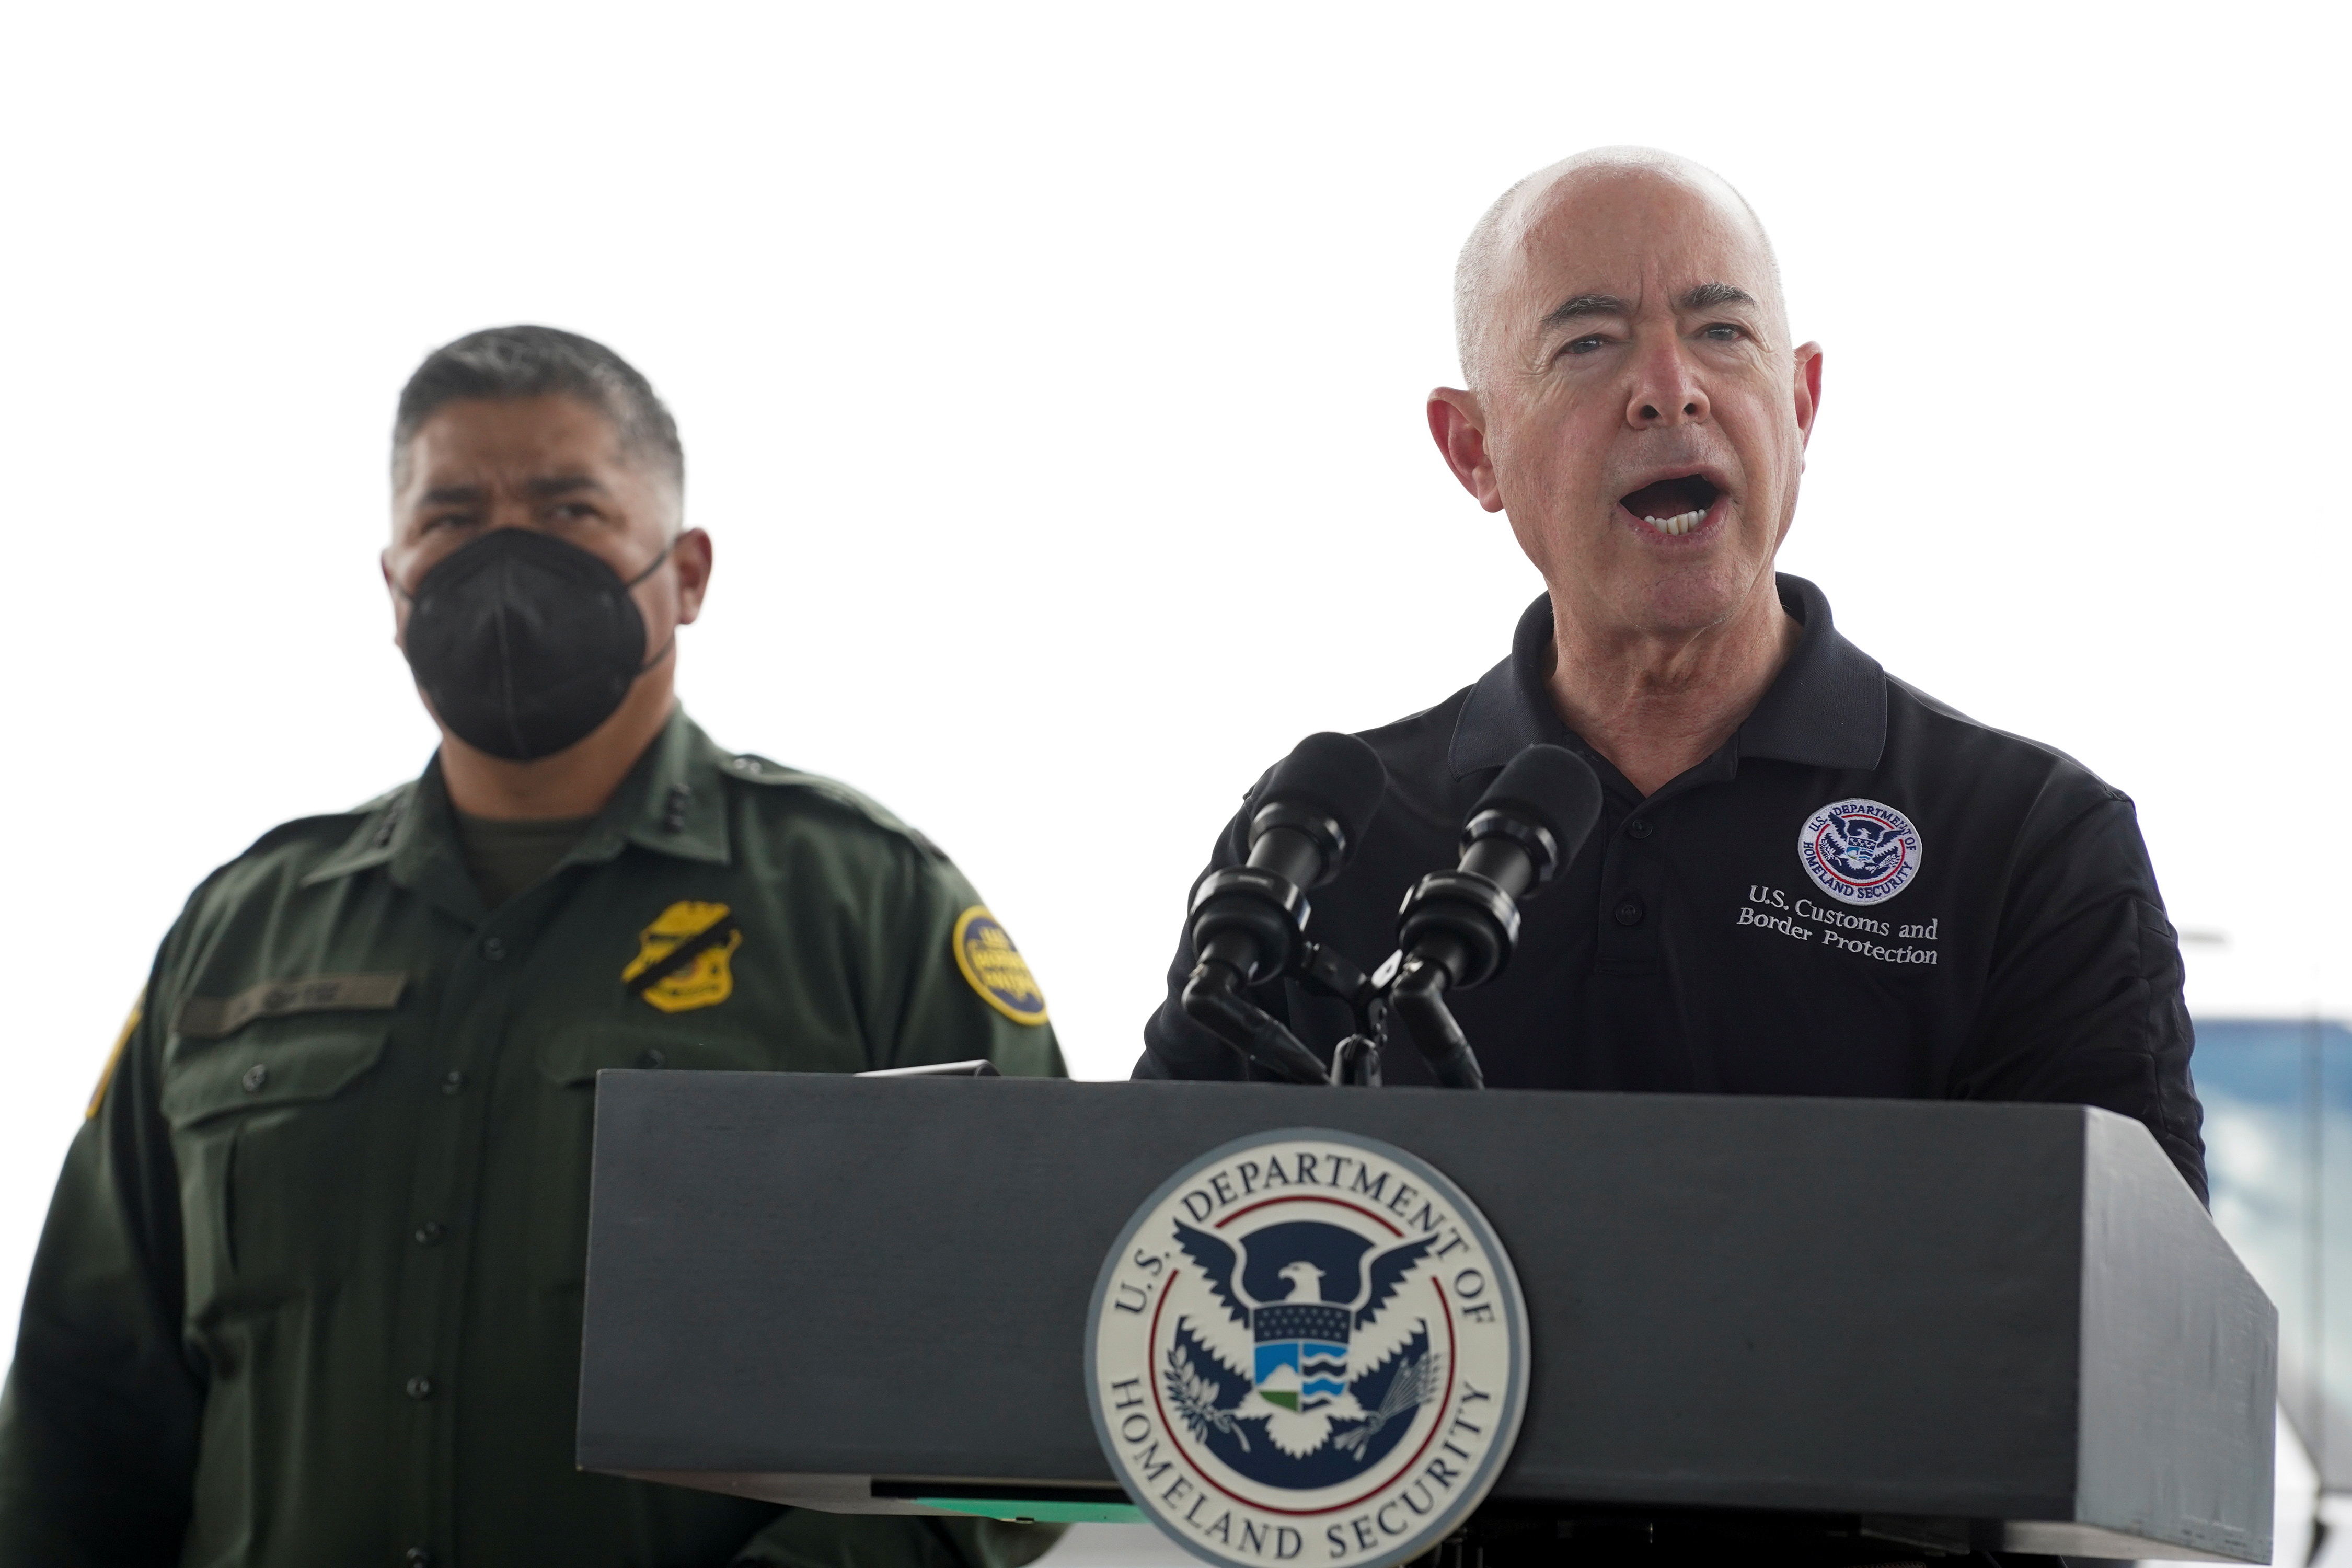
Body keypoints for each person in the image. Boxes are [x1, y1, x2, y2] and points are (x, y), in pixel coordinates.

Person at [0, 327, 1066, 1567]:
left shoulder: (866, 907)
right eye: (452, 518)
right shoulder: (240, 933)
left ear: (688, 574)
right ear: (394, 583)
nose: (505, 558)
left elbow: (1041, 1375)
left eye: (569, 509)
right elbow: (82, 1411)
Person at [1134, 149, 2206, 1202]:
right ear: (1474, 451)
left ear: (1802, 406)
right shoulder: (1319, 846)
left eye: (1722, 333)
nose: (1669, 391)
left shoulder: (2029, 843)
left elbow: (2130, 1291)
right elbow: (1141, 1236)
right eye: (1588, 343)